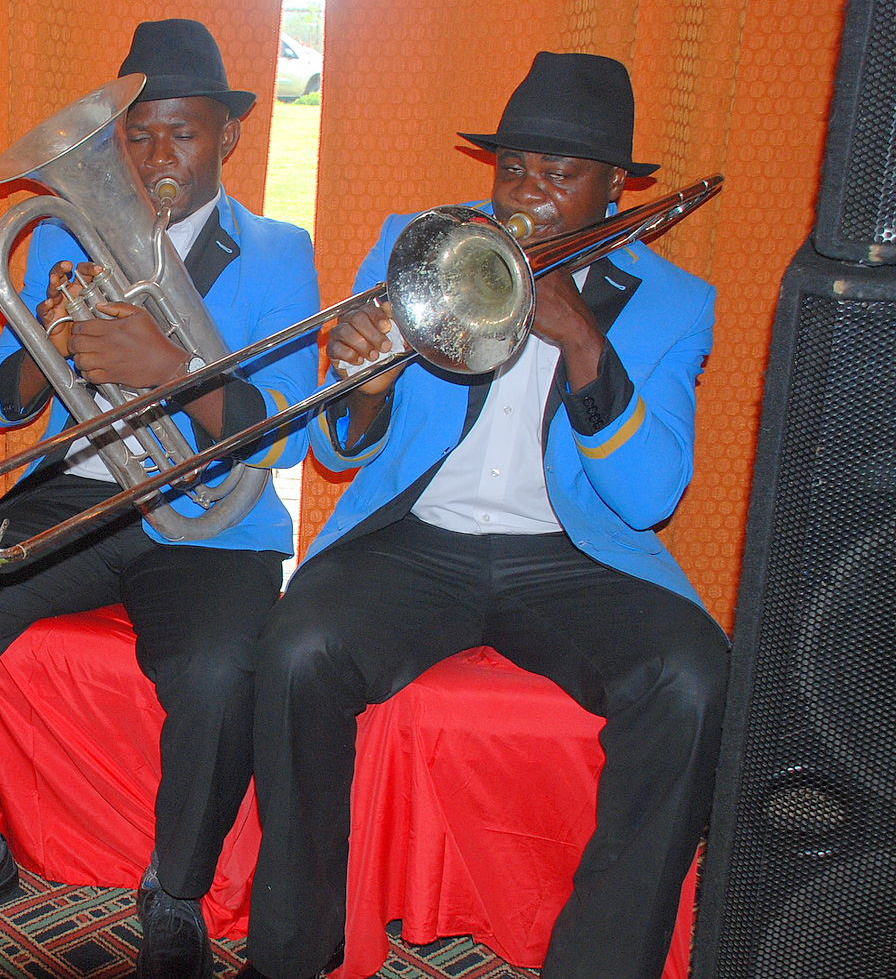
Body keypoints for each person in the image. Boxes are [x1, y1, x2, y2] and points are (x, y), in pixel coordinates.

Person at [239, 52, 730, 979]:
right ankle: (292, 951)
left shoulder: (674, 303)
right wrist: (363, 383)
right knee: (299, 648)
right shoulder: (424, 246)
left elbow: (650, 498)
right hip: (415, 539)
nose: (529, 193)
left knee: (696, 678)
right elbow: (339, 450)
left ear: (615, 187)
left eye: (560, 174)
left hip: (572, 557)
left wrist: (583, 342)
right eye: (514, 168)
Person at [0, 18, 318, 979]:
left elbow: (293, 425)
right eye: (138, 135)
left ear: (230, 135)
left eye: (182, 132)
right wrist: (50, 346)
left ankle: (176, 891)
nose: (158, 156)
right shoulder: (64, 242)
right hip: (75, 495)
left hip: (212, 514)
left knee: (217, 671)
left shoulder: (279, 252)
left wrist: (174, 372)